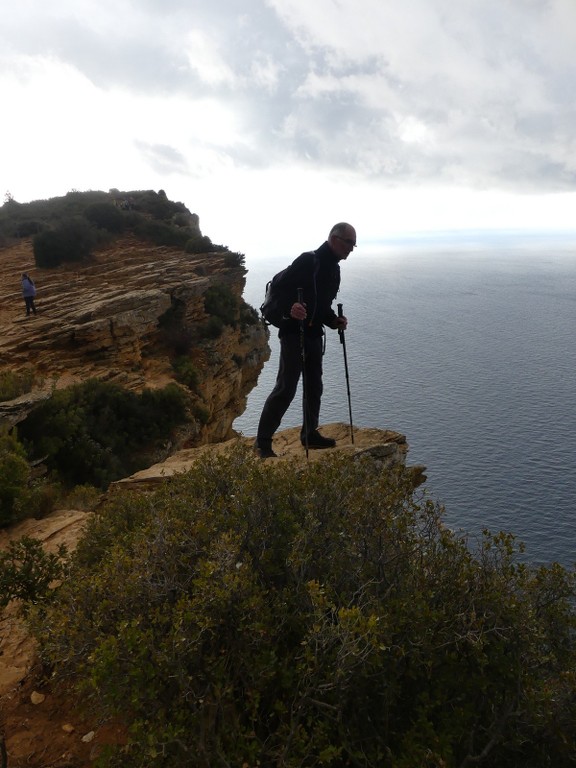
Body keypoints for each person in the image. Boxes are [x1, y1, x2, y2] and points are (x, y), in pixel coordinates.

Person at [255, 222, 356, 458]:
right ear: (334, 239)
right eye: (349, 243)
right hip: (293, 332)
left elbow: (322, 306)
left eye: (353, 244)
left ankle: (309, 434)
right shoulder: (308, 261)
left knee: (314, 387)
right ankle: (262, 443)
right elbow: (279, 292)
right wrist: (290, 309)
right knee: (286, 388)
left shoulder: (334, 269)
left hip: (312, 334)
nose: (351, 248)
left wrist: (333, 321)